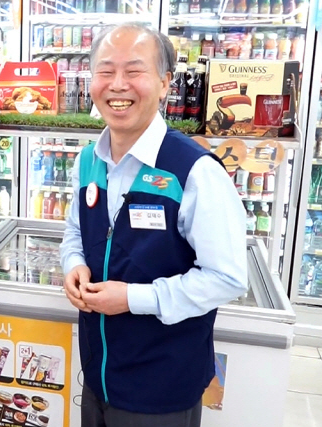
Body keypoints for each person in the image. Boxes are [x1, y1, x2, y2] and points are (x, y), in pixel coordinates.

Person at [60, 23, 248, 427]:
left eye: (134, 71)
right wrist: (72, 263)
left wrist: (132, 298)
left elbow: (228, 277)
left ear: (165, 84)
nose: (118, 85)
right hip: (97, 376)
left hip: (162, 389)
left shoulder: (194, 172)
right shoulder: (88, 161)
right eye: (106, 71)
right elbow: (75, 232)